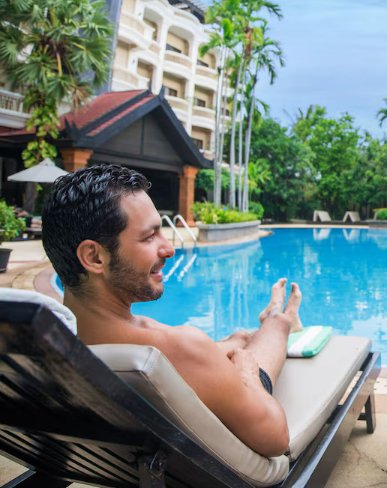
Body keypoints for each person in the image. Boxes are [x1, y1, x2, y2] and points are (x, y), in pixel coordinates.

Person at [42, 164, 300, 457]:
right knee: (273, 330)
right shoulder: (179, 346)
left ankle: (242, 336)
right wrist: (248, 373)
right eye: (149, 237)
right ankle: (278, 319)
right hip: (214, 435)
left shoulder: (47, 344)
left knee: (239, 337)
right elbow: (277, 439)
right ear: (93, 257)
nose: (169, 249)